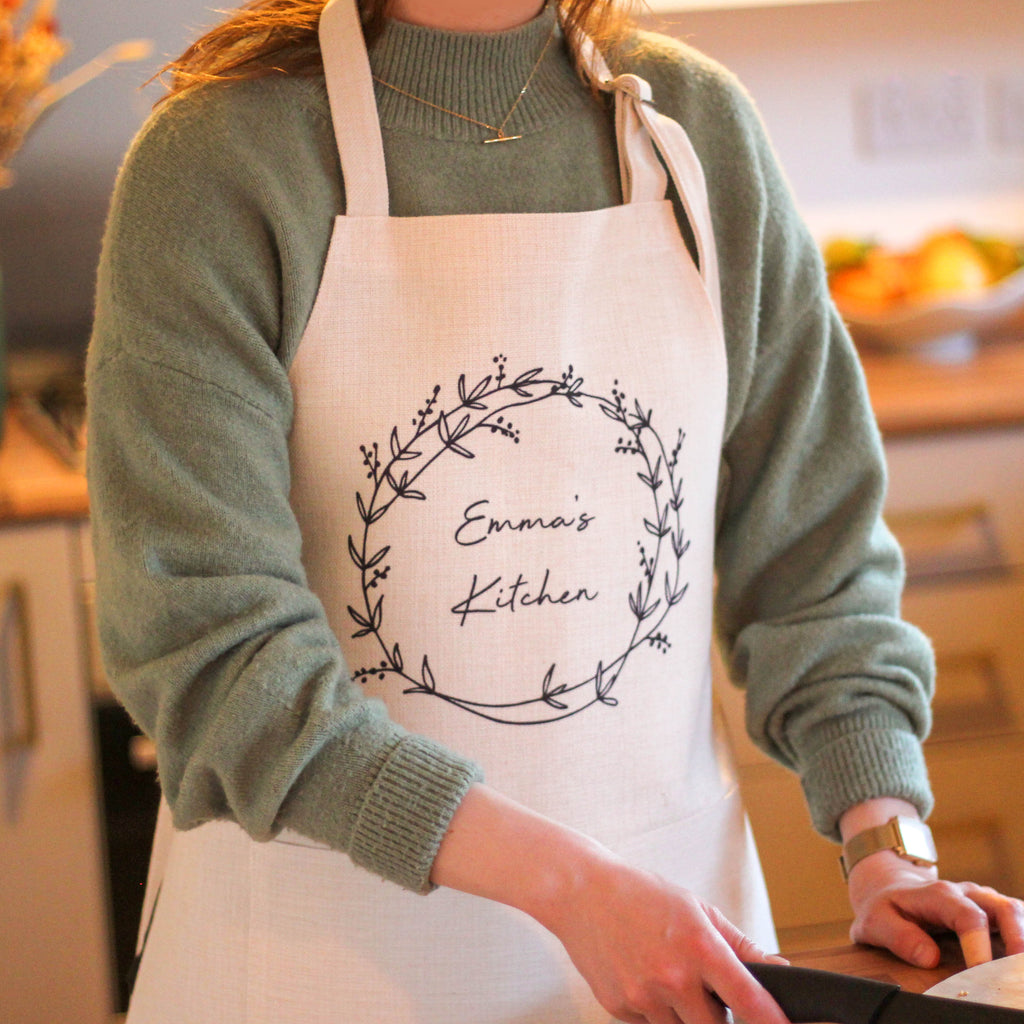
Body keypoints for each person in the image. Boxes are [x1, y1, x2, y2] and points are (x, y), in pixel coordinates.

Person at [86, 0, 1024, 1022]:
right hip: (318, 972)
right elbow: (215, 654)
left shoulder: (697, 129)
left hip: (681, 968)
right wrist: (574, 889)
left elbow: (817, 553)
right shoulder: (220, 160)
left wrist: (884, 843)